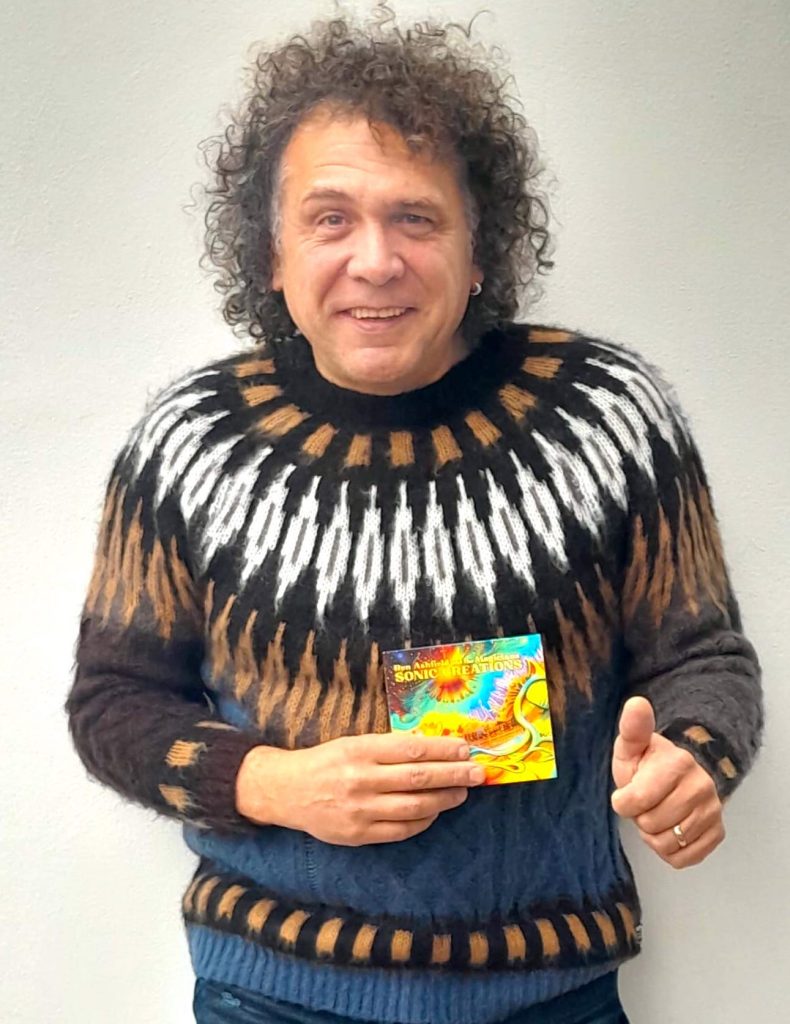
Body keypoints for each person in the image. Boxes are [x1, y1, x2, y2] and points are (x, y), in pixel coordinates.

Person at [65, 9, 763, 1024]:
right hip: (271, 992)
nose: (376, 260)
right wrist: (270, 783)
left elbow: (705, 655)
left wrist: (693, 757)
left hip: (552, 993)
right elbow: (112, 703)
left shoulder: (607, 416)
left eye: (417, 219)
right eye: (330, 218)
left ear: (480, 249)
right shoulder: (191, 441)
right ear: (271, 254)